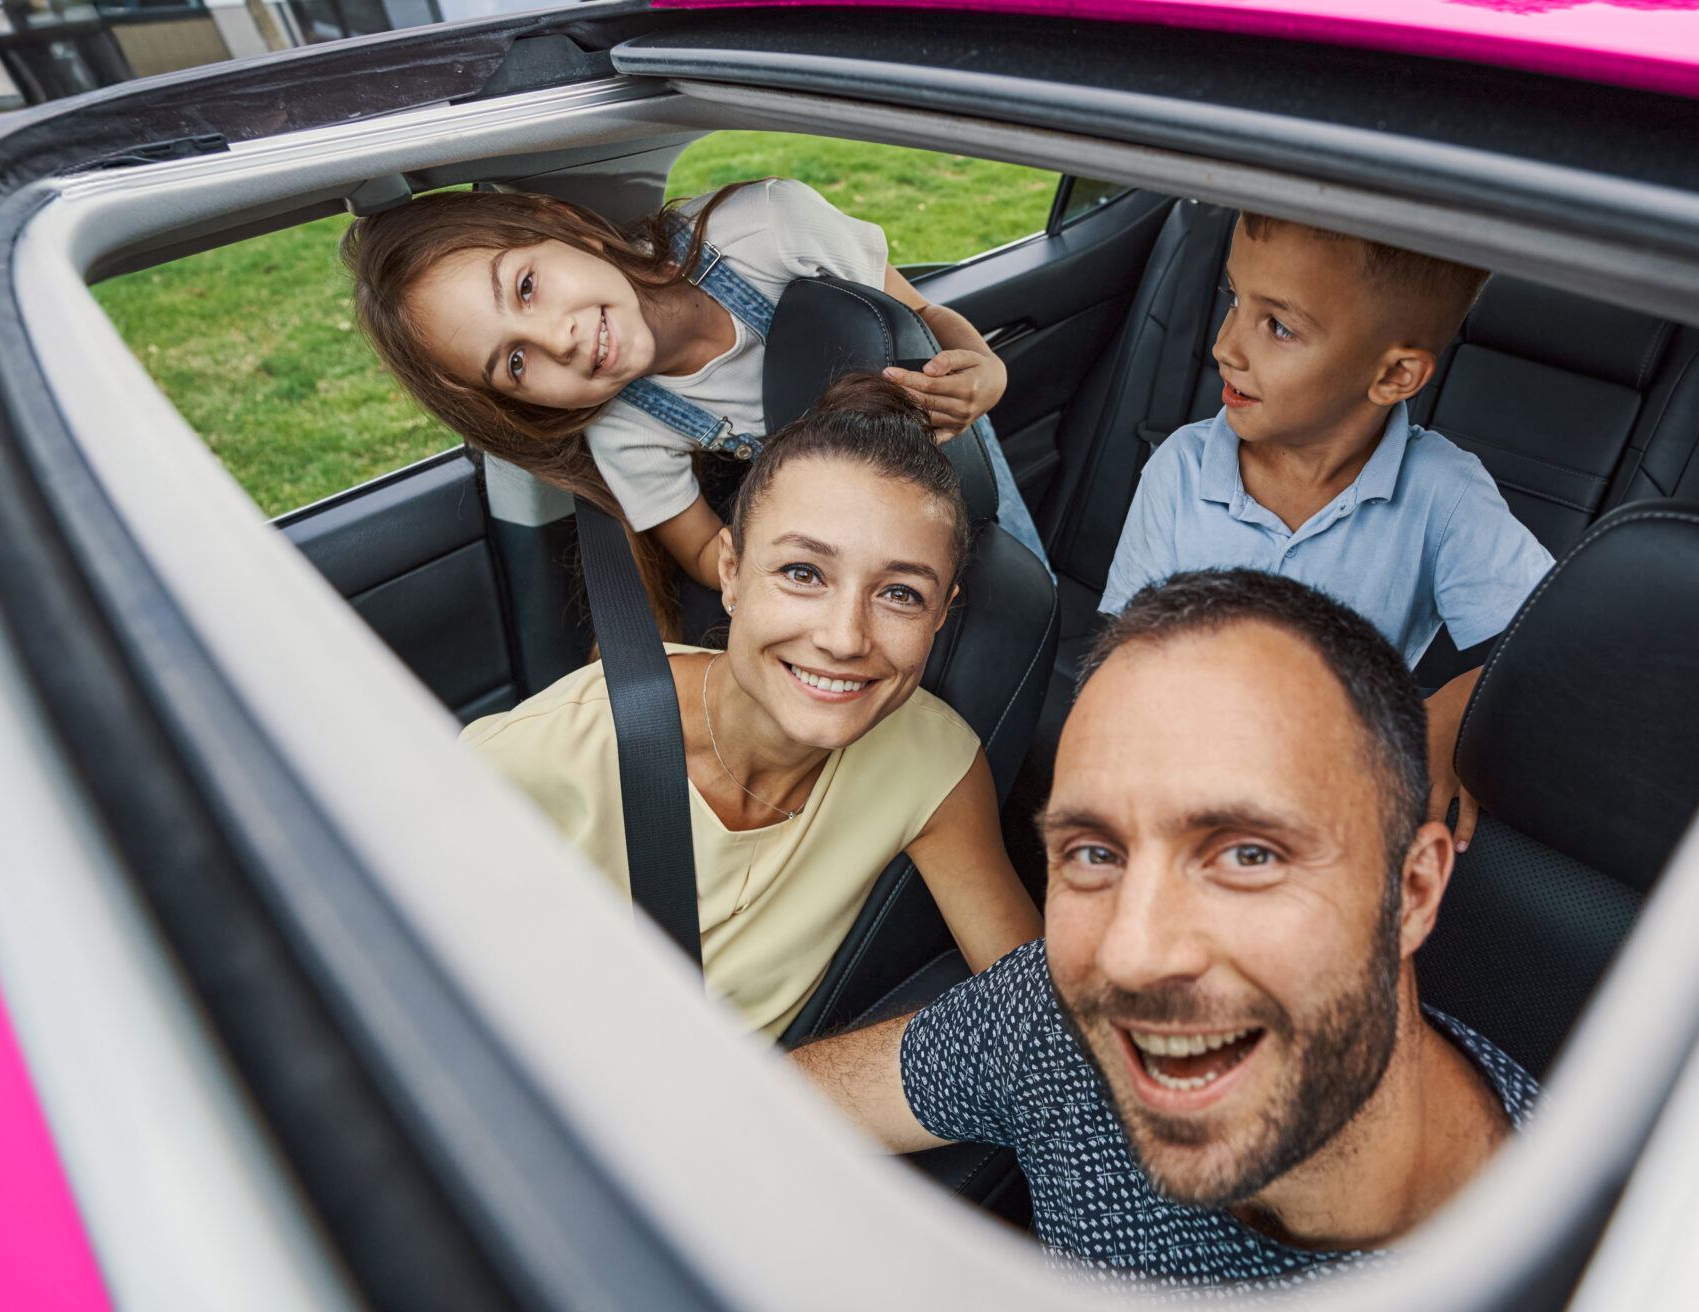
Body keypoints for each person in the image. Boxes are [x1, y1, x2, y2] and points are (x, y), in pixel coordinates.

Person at [791, 569, 1539, 1289]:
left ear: (1411, 891)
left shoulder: (1597, 1266)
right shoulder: (1054, 1020)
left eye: (1248, 854)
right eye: (1094, 853)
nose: (1131, 955)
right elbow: (766, 1112)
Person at [461, 376, 1041, 1037]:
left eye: (902, 594)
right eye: (803, 573)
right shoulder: (556, 744)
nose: (845, 638)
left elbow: (1043, 1022)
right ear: (731, 572)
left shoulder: (936, 764)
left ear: (942, 615)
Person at [344, 179, 1049, 633]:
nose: (556, 338)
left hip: (950, 463)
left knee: (1016, 600)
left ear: (561, 223)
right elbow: (705, 553)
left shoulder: (769, 230)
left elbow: (922, 313)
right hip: (846, 548)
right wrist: (793, 572)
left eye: (526, 287)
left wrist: (985, 368)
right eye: (516, 362)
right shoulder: (627, 426)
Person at [1097, 213, 1554, 850]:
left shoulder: (1441, 492)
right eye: (1233, 299)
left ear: (1395, 376)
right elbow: (1126, 658)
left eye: (1279, 326)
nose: (1225, 346)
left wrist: (1455, 707)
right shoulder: (1181, 467)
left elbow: (1553, 640)